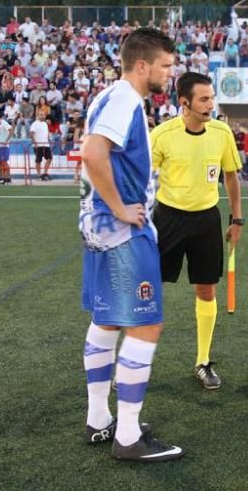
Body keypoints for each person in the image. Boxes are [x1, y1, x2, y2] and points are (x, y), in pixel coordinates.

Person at [78, 27, 183, 461]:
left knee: (106, 321)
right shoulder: (124, 99)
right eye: (165, 66)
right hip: (121, 232)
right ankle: (127, 438)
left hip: (98, 231)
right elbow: (92, 152)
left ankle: (99, 420)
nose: (170, 74)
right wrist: (121, 207)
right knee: (145, 324)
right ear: (142, 66)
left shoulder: (107, 96)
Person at [150, 72, 243, 390]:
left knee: (206, 290)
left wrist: (237, 219)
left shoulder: (221, 132)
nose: (210, 104)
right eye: (204, 99)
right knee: (150, 290)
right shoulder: (162, 135)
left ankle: (203, 361)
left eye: (212, 97)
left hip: (206, 220)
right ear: (184, 102)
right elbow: (140, 178)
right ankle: (136, 361)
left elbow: (231, 177)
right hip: (168, 219)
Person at [30, 112, 52, 181]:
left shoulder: (45, 124)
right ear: (38, 115)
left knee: (49, 158)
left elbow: (47, 133)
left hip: (46, 144)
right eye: (41, 115)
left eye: (43, 115)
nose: (42, 116)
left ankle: (45, 173)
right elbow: (31, 133)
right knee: (38, 160)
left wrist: (49, 141)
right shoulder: (35, 124)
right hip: (38, 145)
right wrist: (35, 143)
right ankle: (39, 175)